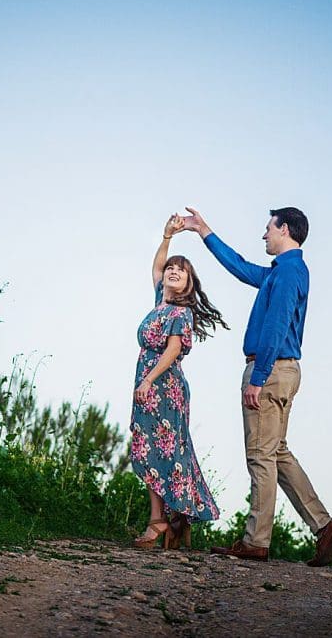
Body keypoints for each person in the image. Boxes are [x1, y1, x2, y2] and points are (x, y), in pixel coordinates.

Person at [178, 206, 332, 566]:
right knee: (276, 452)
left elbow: (276, 327)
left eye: (268, 228)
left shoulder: (289, 272)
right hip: (281, 370)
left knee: (260, 456)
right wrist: (203, 230)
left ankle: (256, 541)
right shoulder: (281, 272)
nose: (264, 235)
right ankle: (324, 525)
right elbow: (240, 267)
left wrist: (257, 379)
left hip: (269, 370)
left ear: (284, 229)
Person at [130, 213, 227, 549]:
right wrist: (167, 236)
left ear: (188, 283)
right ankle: (171, 518)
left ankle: (163, 520)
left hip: (165, 388)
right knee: (147, 449)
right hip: (147, 385)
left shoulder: (181, 314)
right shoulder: (159, 303)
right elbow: (156, 266)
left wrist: (148, 380)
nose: (172, 271)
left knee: (166, 452)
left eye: (181, 270)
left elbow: (173, 350)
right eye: (172, 268)